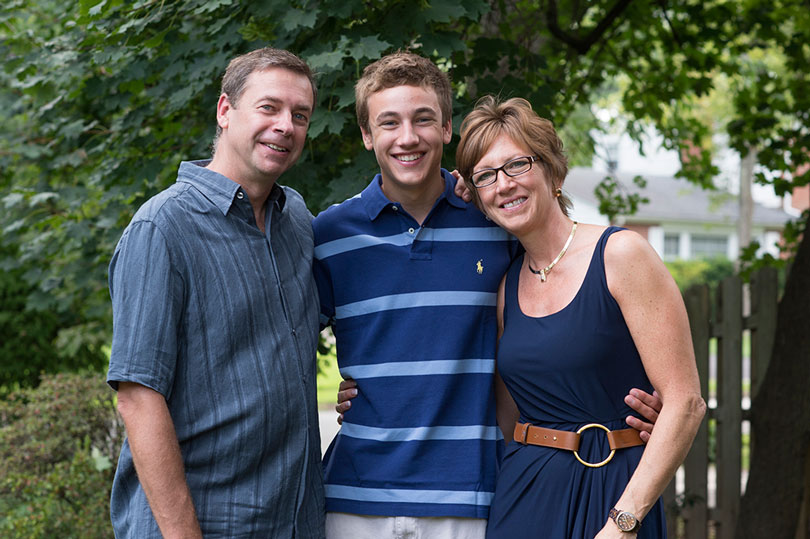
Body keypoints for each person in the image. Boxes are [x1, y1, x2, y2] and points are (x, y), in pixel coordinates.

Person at [314, 52, 663, 539]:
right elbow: (281, 341)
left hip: (472, 497)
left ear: (447, 128)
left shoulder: (496, 221)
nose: (408, 136)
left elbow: (572, 306)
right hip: (356, 497)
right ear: (368, 135)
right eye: (388, 122)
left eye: (423, 119)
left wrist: (640, 406)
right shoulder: (330, 235)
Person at [455, 95, 706, 538]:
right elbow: (505, 415)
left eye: (517, 164)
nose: (504, 184)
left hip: (616, 491)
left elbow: (685, 403)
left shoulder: (621, 254)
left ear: (552, 169)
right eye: (486, 176)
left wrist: (623, 524)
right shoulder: (504, 288)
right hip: (526, 494)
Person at [106, 48, 325, 538]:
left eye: (300, 115)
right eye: (268, 107)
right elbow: (138, 399)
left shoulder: (299, 223)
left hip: (292, 522)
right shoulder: (163, 228)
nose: (285, 125)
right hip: (203, 523)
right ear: (225, 111)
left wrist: (452, 194)